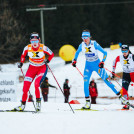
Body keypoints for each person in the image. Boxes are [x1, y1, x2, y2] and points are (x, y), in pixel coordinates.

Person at [72, 29, 129, 109]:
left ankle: (121, 98)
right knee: (85, 83)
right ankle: (88, 103)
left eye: (86, 37)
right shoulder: (81, 45)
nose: (84, 39)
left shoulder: (94, 44)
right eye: (83, 37)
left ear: (89, 37)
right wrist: (74, 60)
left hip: (97, 65)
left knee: (107, 81)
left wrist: (102, 62)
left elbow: (105, 53)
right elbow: (77, 53)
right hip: (88, 66)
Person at [14, 32, 54, 111]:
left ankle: (38, 104)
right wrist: (21, 63)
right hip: (31, 69)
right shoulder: (27, 48)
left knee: (36, 84)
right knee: (25, 88)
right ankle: (22, 105)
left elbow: (51, 54)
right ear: (30, 41)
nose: (34, 43)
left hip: (41, 68)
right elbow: (23, 55)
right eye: (32, 41)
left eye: (36, 41)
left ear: (39, 40)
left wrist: (48, 60)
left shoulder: (43, 47)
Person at [112, 44, 134, 109]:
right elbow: (114, 61)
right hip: (126, 75)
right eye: (123, 51)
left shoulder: (132, 56)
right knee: (124, 90)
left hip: (133, 74)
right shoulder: (120, 57)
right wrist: (113, 71)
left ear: (128, 51)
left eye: (125, 51)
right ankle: (126, 104)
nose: (124, 52)